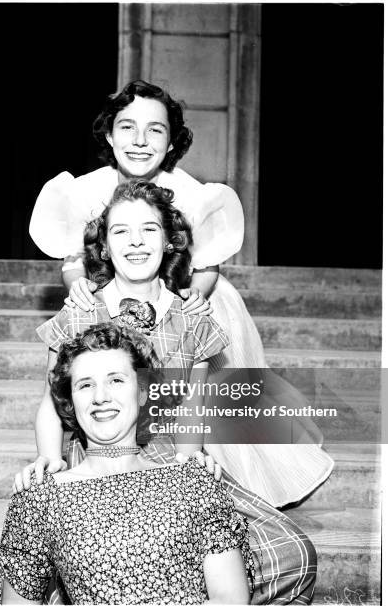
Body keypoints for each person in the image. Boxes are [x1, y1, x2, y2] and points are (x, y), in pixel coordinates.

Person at [28, 79, 333, 507]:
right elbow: (75, 260)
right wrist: (81, 288)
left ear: (171, 141)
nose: (139, 140)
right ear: (109, 134)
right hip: (112, 285)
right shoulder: (84, 190)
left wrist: (188, 296)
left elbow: (207, 264)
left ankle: (211, 463)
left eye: (155, 130)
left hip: (183, 286)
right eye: (127, 127)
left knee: (203, 345)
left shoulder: (190, 190)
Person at [23, 179, 317, 605]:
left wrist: (187, 467)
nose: (136, 241)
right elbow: (52, 398)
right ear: (103, 247)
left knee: (293, 553)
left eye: (149, 229)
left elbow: (191, 406)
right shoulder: (80, 311)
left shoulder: (193, 317)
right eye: (121, 231)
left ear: (169, 243)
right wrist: (49, 457)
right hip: (101, 455)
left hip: (168, 454)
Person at [0, 323, 254, 604]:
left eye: (116, 380)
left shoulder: (193, 482)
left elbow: (229, 602)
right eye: (85, 385)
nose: (100, 397)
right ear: (70, 400)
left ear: (142, 393)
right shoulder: (40, 496)